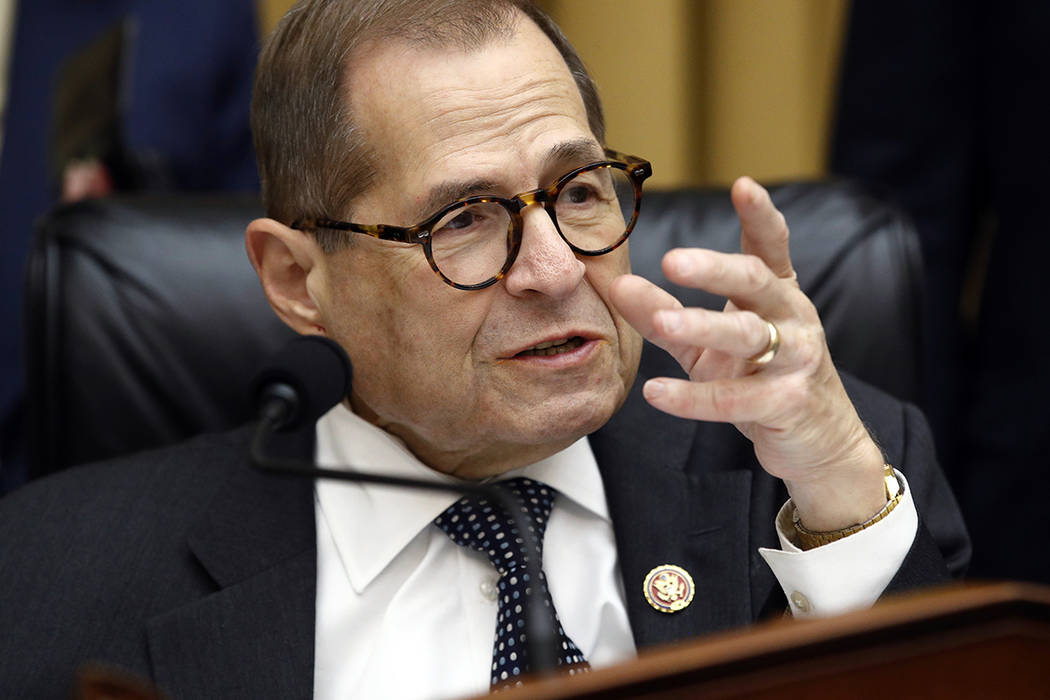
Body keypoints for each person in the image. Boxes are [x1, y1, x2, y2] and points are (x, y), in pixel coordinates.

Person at [0, 1, 968, 698]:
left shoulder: (814, 492)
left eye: (581, 191)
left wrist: (838, 487)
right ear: (300, 280)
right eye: (463, 220)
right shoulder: (51, 574)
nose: (553, 269)